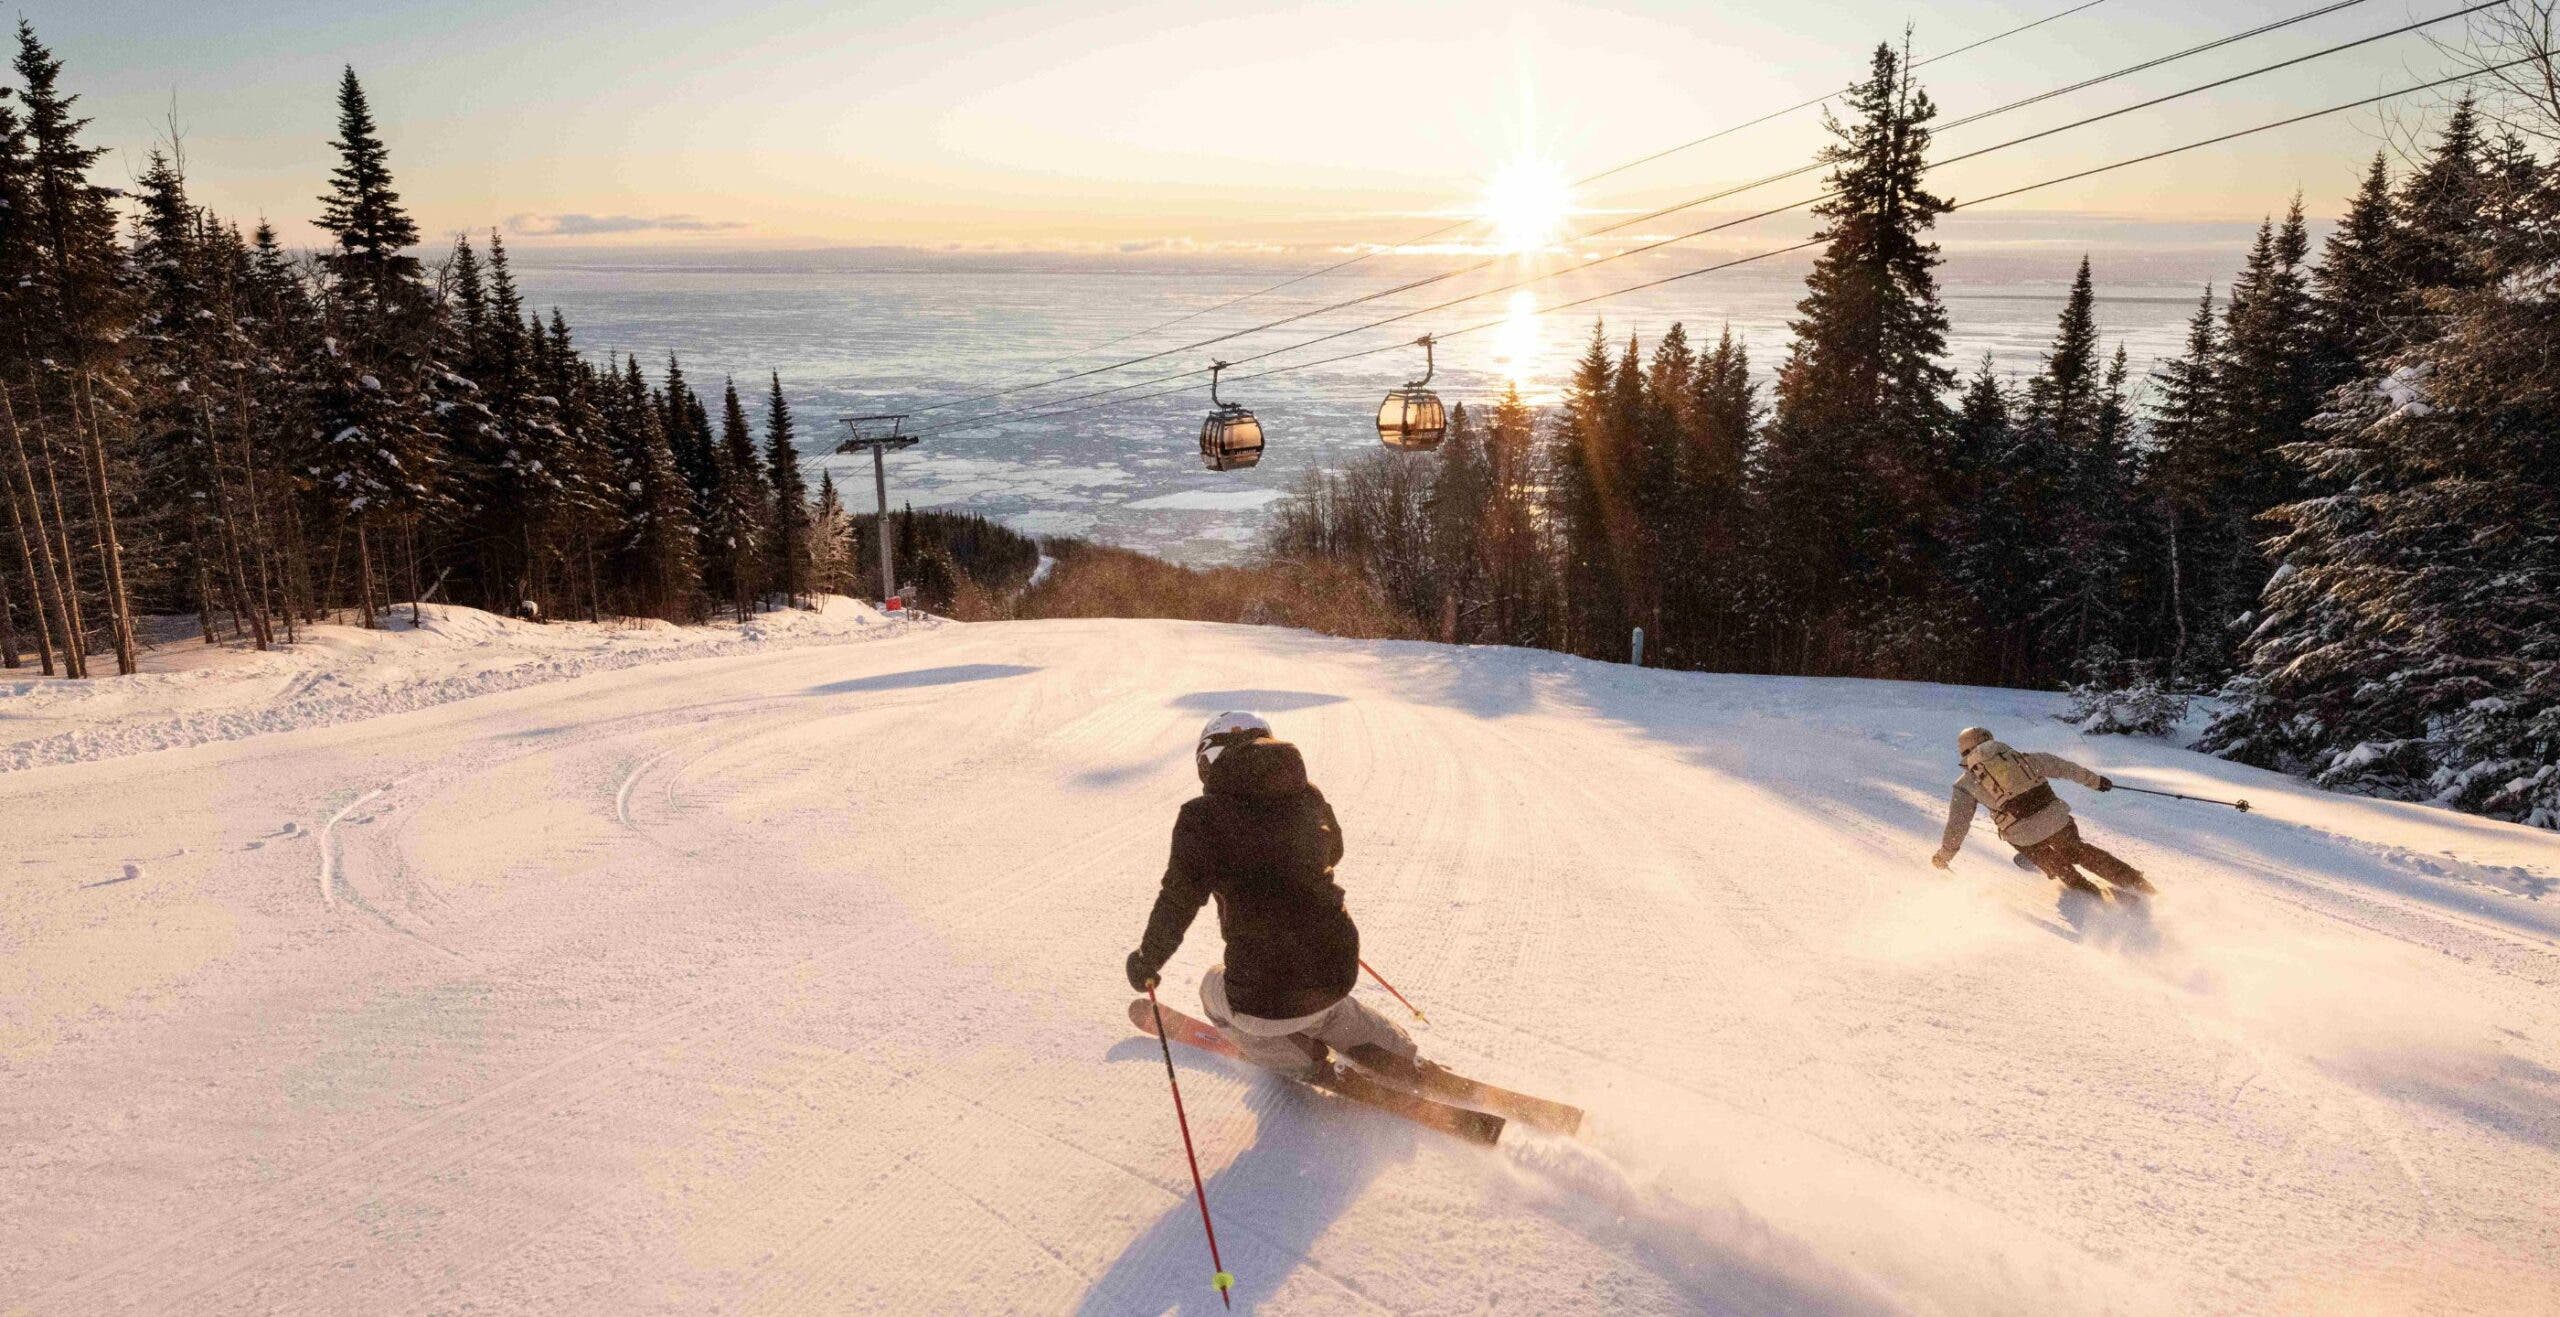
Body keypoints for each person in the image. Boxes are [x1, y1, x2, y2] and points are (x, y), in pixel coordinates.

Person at [1124, 711, 1419, 1079]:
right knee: (1323, 1001)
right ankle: (1402, 1055)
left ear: (1208, 761)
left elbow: (1178, 900)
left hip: (1263, 992)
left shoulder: (1200, 818)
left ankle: (1304, 1061)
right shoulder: (1307, 795)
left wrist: (1147, 959)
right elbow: (1334, 851)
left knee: (1215, 991)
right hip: (1337, 965)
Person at [1932, 726, 2155, 896]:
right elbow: (2064, 767)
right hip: (2057, 820)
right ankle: (2137, 884)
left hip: (2023, 836)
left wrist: (1945, 856)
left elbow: (1957, 826)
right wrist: (2096, 782)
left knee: (2056, 863)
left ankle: (2086, 895)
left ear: (1964, 753)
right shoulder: (2024, 759)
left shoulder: (1965, 783)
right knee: (2078, 850)